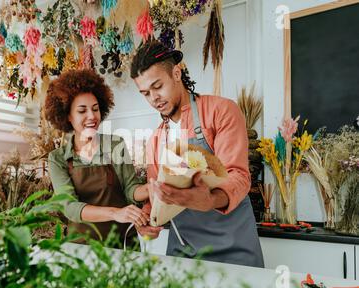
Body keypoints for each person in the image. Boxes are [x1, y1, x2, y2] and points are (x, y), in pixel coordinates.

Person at [130, 40, 264, 268]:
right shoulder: (156, 139)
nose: (154, 98)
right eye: (145, 93)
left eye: (157, 86)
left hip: (233, 250)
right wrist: (148, 220)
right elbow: (158, 195)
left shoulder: (221, 111)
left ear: (176, 73)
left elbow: (238, 177)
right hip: (183, 254)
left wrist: (210, 199)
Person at [45, 69, 150, 247]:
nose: (92, 116)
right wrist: (115, 213)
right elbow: (69, 207)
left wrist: (151, 189)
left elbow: (131, 188)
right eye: (82, 111)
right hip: (82, 247)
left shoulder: (116, 145)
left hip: (122, 243)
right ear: (67, 116)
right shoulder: (58, 159)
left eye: (95, 109)